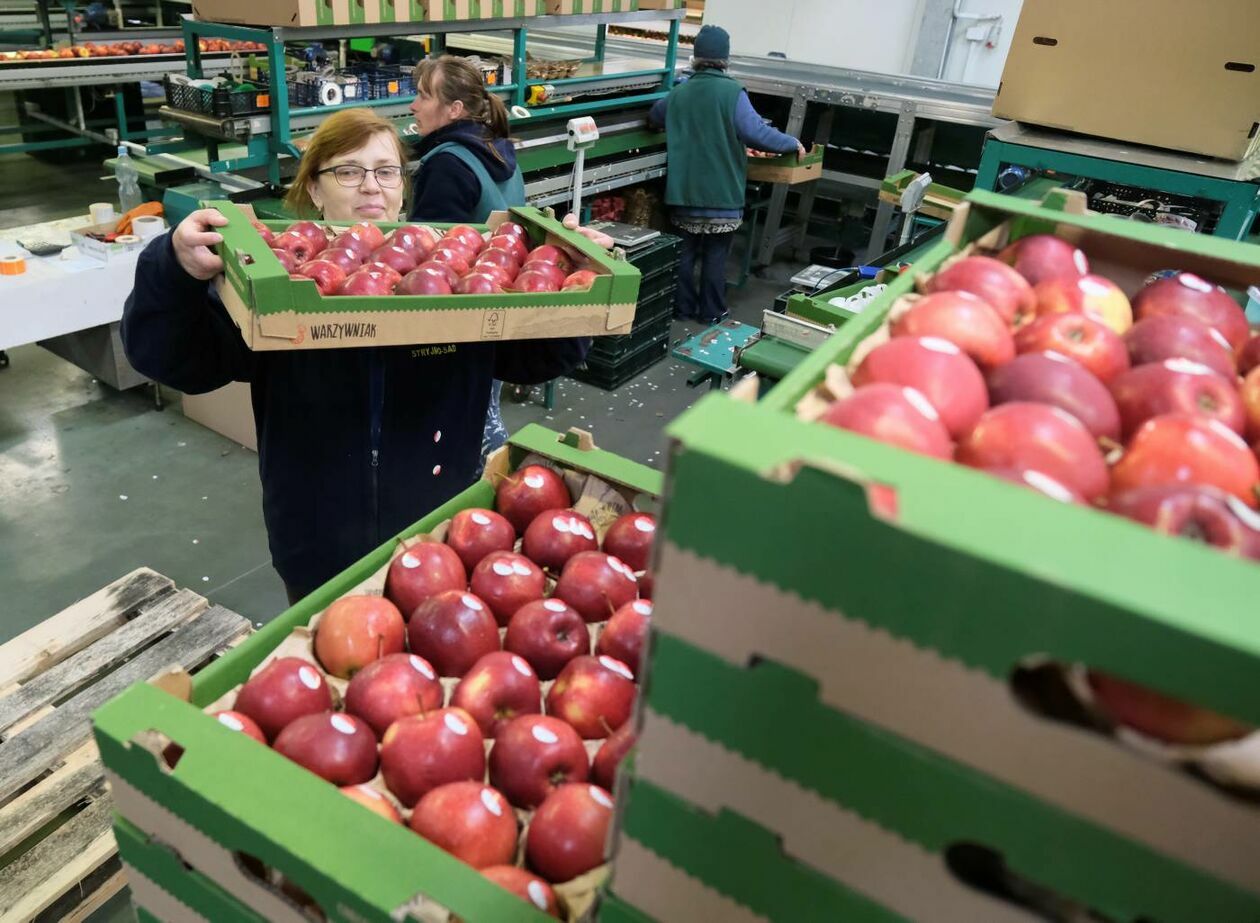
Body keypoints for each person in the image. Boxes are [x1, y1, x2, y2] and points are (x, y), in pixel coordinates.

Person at [121, 107, 590, 604]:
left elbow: (536, 359)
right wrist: (171, 265)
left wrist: (575, 278)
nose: (372, 186)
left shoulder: (456, 281)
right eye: (348, 171)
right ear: (315, 189)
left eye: (386, 171)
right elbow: (175, 361)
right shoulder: (276, 286)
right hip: (317, 538)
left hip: (439, 529)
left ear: (404, 187)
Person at [406, 54, 526, 468]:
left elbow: (430, 263)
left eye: (423, 96)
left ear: (453, 109)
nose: (413, 106)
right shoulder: (498, 150)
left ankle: (481, 483)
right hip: (494, 306)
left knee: (461, 424)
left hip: (456, 325)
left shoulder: (447, 166)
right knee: (484, 405)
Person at [648, 25, 805, 324]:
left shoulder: (680, 92)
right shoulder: (733, 91)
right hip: (721, 195)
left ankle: (681, 309)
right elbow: (755, 132)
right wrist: (790, 142)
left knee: (684, 255)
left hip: (684, 192)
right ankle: (711, 312)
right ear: (725, 58)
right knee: (715, 258)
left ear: (696, 58)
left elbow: (655, 116)